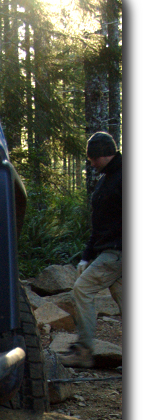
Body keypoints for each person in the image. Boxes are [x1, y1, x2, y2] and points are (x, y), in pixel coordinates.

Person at [60, 132, 122, 368]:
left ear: (104, 154)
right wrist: (86, 256)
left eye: (93, 158)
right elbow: (99, 224)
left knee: (82, 290)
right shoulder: (106, 180)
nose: (91, 163)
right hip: (109, 250)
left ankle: (84, 350)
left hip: (118, 252)